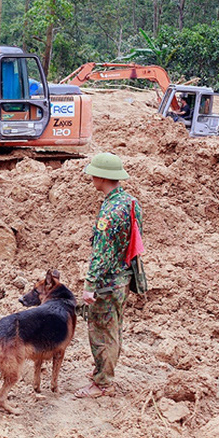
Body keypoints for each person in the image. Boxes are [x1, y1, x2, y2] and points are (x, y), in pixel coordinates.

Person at [75, 152, 143, 398]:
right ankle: (103, 372)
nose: (91, 178)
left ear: (102, 177)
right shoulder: (129, 201)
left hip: (107, 283)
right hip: (123, 279)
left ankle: (103, 383)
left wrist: (90, 285)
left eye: (94, 174)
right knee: (114, 328)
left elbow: (101, 254)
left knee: (101, 332)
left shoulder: (109, 212)